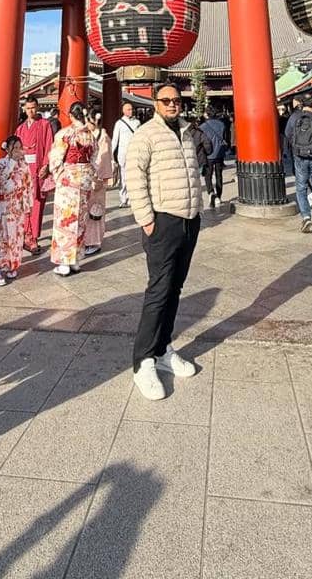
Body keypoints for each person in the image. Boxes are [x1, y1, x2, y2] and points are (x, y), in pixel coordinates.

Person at [126, 81, 201, 401]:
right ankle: (142, 362)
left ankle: (163, 349)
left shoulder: (185, 131)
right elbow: (133, 174)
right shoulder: (146, 135)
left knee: (175, 288)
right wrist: (146, 218)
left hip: (189, 219)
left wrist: (198, 212)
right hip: (162, 220)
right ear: (155, 103)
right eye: (166, 100)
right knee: (158, 290)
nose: (173, 105)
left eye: (177, 100)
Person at [49, 103, 98, 277]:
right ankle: (76, 260)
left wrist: (58, 175)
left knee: (65, 221)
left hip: (68, 181)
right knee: (80, 220)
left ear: (71, 115)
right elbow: (94, 159)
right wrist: (89, 176)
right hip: (84, 180)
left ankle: (64, 262)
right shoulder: (90, 135)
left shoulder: (65, 134)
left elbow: (55, 159)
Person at [0, 135, 33, 286]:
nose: (18, 151)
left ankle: (12, 265)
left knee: (16, 237)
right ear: (7, 149)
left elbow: (28, 185)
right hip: (4, 205)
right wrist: (12, 162)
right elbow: (0, 183)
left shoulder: (24, 166)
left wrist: (27, 204)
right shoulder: (0, 164)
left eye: (20, 148)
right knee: (2, 237)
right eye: (14, 148)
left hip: (17, 206)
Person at [14, 96, 54, 255]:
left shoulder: (45, 125)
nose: (31, 111)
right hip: (24, 169)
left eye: (33, 108)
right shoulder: (21, 128)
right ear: (24, 109)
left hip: (38, 169)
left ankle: (33, 237)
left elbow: (49, 145)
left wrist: (46, 165)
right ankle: (23, 234)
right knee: (23, 204)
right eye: (28, 108)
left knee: (37, 203)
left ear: (37, 108)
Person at [285, 93, 312, 233]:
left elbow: (287, 134)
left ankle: (306, 217)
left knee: (301, 188)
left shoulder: (294, 118)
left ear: (301, 104)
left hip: (299, 157)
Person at [84, 111, 113, 257]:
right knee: (87, 209)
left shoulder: (104, 138)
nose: (87, 124)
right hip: (88, 177)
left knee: (96, 210)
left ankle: (94, 241)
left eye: (88, 121)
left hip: (98, 179)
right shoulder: (90, 136)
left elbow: (104, 159)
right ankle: (87, 239)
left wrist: (99, 178)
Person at [199, 104, 228, 209]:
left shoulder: (203, 127)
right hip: (220, 153)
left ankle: (211, 193)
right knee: (219, 175)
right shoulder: (222, 124)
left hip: (208, 154)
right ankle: (219, 196)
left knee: (208, 175)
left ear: (207, 114)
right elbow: (225, 137)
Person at [111, 100, 140, 207]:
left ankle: (132, 198)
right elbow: (115, 140)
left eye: (132, 109)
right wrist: (111, 155)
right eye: (128, 109)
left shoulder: (137, 122)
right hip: (123, 153)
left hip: (134, 152)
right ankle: (123, 198)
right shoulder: (119, 123)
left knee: (134, 176)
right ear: (123, 111)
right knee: (123, 176)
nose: (131, 111)